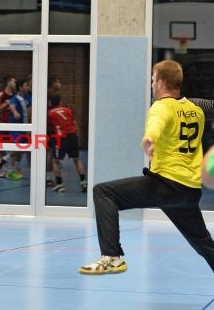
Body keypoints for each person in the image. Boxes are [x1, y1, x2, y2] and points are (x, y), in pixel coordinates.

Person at [79, 60, 214, 274]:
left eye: (152, 80)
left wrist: (149, 138)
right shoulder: (195, 108)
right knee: (205, 245)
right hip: (189, 191)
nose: (152, 84)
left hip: (166, 185)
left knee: (104, 192)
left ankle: (112, 256)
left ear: (160, 82)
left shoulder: (160, 107)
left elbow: (156, 123)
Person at [47, 94, 87, 193]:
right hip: (72, 134)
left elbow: (49, 127)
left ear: (50, 103)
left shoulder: (50, 113)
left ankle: (60, 184)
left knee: (55, 160)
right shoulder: (67, 110)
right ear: (60, 102)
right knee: (76, 159)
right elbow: (75, 124)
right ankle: (83, 182)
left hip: (60, 137)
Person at [0, 75, 16, 177]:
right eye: (13, 82)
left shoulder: (16, 95)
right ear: (8, 83)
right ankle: (4, 170)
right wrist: (5, 105)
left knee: (16, 147)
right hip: (3, 124)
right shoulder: (1, 95)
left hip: (15, 124)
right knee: (2, 147)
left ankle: (11, 168)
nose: (15, 84)